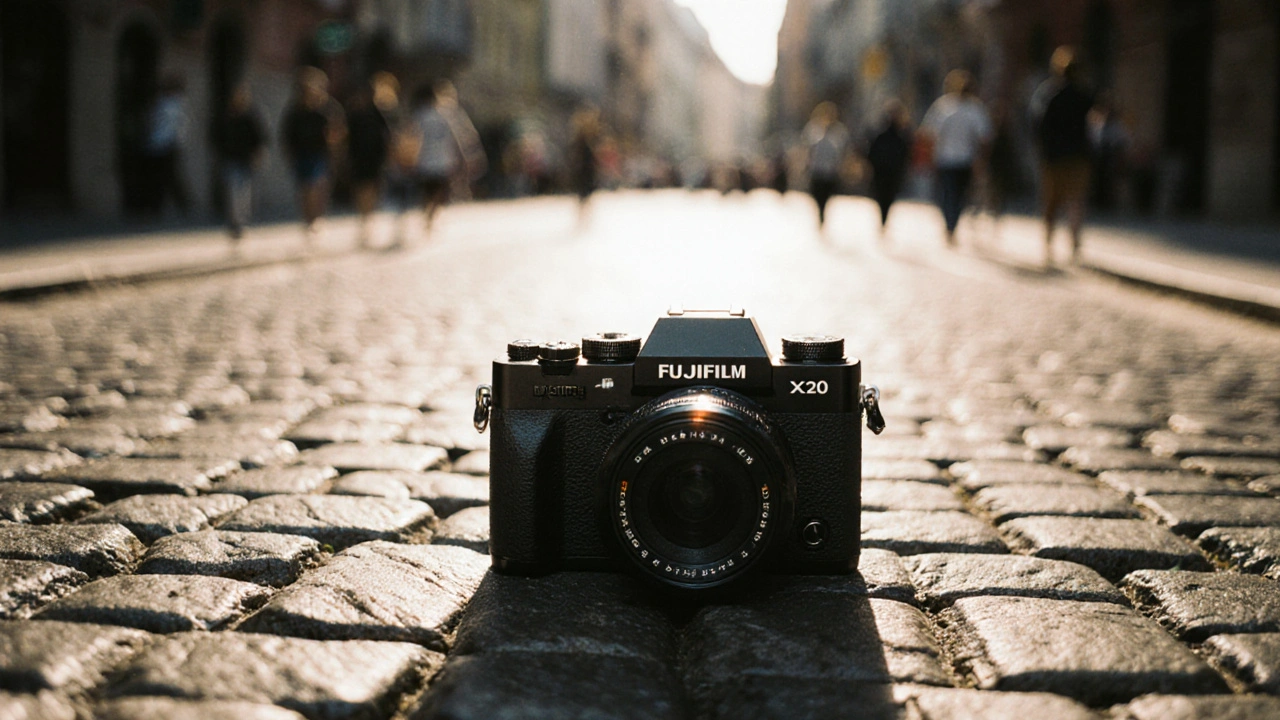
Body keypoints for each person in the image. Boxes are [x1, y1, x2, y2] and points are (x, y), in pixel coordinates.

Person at [1034, 46, 1095, 266]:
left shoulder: (1051, 96)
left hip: (1053, 157)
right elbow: (1094, 123)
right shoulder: (1085, 95)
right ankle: (1075, 242)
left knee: (1051, 201)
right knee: (1075, 200)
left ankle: (1049, 243)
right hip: (1078, 155)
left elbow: (1040, 127)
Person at [920, 70, 992, 245]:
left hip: (955, 159)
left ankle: (951, 225)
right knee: (953, 194)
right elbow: (985, 138)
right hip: (953, 159)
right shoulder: (954, 107)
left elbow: (928, 133)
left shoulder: (953, 107)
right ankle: (951, 225)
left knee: (952, 194)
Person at [282, 67, 344, 238]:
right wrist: (289, 153)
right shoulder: (296, 110)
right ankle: (308, 219)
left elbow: (338, 131)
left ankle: (317, 217)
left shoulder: (328, 109)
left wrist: (335, 149)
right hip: (302, 154)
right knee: (305, 189)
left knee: (317, 187)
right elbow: (288, 133)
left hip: (321, 154)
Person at [210, 83, 265, 240]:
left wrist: (257, 155)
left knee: (244, 192)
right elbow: (216, 137)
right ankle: (234, 221)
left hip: (246, 160)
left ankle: (241, 221)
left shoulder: (251, 117)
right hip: (230, 159)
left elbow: (259, 138)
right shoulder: (225, 117)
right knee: (232, 191)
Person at [345, 77, 392, 246]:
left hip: (375, 158)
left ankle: (368, 217)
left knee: (372, 189)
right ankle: (364, 217)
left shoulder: (378, 113)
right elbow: (346, 138)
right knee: (361, 189)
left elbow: (387, 136)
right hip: (358, 158)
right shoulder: (354, 115)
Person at [411, 84, 462, 237]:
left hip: (425, 160)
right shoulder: (444, 115)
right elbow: (454, 138)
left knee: (428, 191)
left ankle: (428, 214)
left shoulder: (420, 115)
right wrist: (459, 157)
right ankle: (431, 215)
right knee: (440, 192)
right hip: (442, 160)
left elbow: (412, 137)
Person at [142, 74, 190, 218]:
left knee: (168, 177)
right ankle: (158, 207)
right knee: (160, 177)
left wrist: (177, 142)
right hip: (156, 144)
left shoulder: (177, 104)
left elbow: (181, 125)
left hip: (168, 145)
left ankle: (181, 204)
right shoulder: (162, 103)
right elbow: (152, 123)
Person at [866, 100, 913, 231]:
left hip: (890, 170)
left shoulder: (901, 135)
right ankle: (883, 219)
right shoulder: (883, 134)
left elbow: (906, 153)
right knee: (884, 196)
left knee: (886, 197)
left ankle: (884, 219)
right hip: (884, 170)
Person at [803, 101, 849, 227]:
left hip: (830, 172)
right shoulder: (813, 129)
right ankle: (820, 213)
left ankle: (823, 213)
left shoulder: (839, 132)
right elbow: (808, 150)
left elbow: (841, 152)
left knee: (826, 195)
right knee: (817, 195)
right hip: (816, 170)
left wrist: (841, 167)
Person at [568, 105, 602, 227]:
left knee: (585, 194)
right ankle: (583, 217)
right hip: (584, 172)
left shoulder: (584, 141)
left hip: (585, 172)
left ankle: (584, 216)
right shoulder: (583, 142)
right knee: (584, 194)